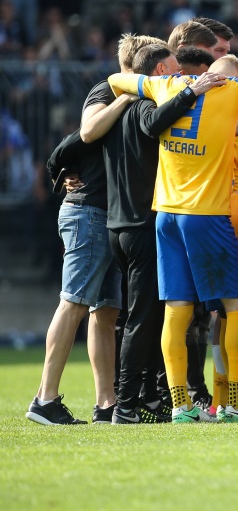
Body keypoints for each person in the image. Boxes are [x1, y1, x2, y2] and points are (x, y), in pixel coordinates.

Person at [106, 56, 238, 423]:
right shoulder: (233, 90)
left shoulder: (166, 85)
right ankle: (234, 401)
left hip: (165, 214)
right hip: (206, 214)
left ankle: (182, 406)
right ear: (235, 78)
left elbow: (116, 79)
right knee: (237, 303)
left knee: (177, 307)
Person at [24, 36, 168, 425]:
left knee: (106, 312)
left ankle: (106, 403)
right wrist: (126, 95)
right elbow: (85, 134)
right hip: (87, 211)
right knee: (73, 302)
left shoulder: (146, 97)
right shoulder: (108, 89)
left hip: (110, 216)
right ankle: (44, 398)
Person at [102, 43, 225, 423]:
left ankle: (149, 398)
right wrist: (194, 91)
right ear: (157, 71)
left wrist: (61, 166)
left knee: (147, 316)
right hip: (141, 225)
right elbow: (154, 124)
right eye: (172, 70)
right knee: (142, 318)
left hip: (119, 223)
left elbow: (79, 142)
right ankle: (125, 405)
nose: (177, 75)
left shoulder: (118, 108)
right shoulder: (143, 105)